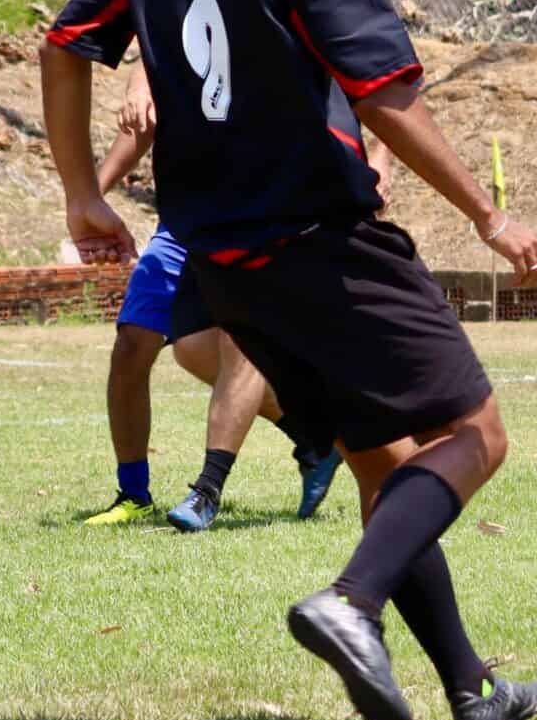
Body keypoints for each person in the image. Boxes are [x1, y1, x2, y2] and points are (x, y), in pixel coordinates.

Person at [41, 0, 537, 720]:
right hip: (327, 245)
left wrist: (79, 196)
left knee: (383, 463)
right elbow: (388, 98)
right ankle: (352, 602)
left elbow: (64, 46)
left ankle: (472, 692)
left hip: (226, 267)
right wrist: (488, 215)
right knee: (474, 436)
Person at [80, 63, 342, 531]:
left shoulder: (274, 35)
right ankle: (135, 493)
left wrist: (372, 163)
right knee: (144, 346)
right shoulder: (181, 29)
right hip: (184, 223)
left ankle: (207, 489)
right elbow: (150, 70)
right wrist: (88, 197)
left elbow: (353, 90)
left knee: (235, 344)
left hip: (256, 215)